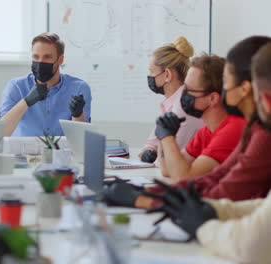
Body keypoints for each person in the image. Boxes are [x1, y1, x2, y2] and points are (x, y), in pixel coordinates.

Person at [101, 36, 271, 209]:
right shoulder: (250, 129)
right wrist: (145, 192)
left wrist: (142, 200)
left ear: (245, 89)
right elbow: (208, 180)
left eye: (226, 82)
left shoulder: (243, 131)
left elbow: (216, 191)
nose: (183, 96)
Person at [145, 43, 271, 263]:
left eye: (225, 86)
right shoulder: (247, 129)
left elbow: (212, 186)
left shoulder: (243, 130)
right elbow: (213, 179)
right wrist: (150, 196)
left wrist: (200, 222)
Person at [156, 55, 246, 181]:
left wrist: (167, 138)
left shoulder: (233, 129)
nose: (183, 95)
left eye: (188, 90)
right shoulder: (206, 131)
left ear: (213, 98)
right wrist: (163, 135)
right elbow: (167, 170)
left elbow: (183, 178)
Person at [0, 33, 92, 137]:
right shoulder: (16, 86)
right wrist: (26, 101)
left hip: (60, 152)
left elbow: (82, 140)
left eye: (47, 57)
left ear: (60, 60)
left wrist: (77, 115)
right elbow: (0, 134)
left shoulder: (79, 88)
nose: (40, 62)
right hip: (22, 152)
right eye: (36, 57)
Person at [139, 36, 203, 163]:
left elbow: (169, 160)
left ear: (167, 74)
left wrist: (156, 155)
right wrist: (149, 149)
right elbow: (153, 141)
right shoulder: (172, 103)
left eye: (152, 71)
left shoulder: (183, 107)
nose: (150, 76)